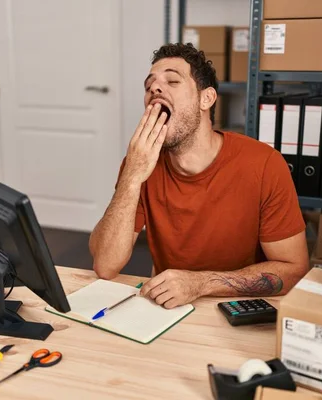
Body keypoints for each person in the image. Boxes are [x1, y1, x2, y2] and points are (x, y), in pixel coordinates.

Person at [89, 43, 309, 309]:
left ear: (206, 99)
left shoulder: (264, 164)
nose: (155, 89)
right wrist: (132, 177)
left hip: (238, 307)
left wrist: (201, 283)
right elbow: (105, 265)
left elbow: (294, 270)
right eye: (149, 87)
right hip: (168, 309)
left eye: (172, 80)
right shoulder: (140, 165)